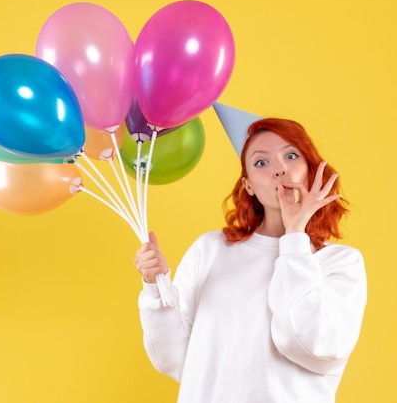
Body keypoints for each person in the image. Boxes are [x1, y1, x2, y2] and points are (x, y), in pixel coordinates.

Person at [134, 117, 367, 403]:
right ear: (249, 186)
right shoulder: (210, 249)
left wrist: (294, 237)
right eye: (261, 163)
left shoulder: (340, 262)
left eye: (291, 156)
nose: (279, 170)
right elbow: (176, 358)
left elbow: (312, 346)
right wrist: (155, 286)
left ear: (310, 170)